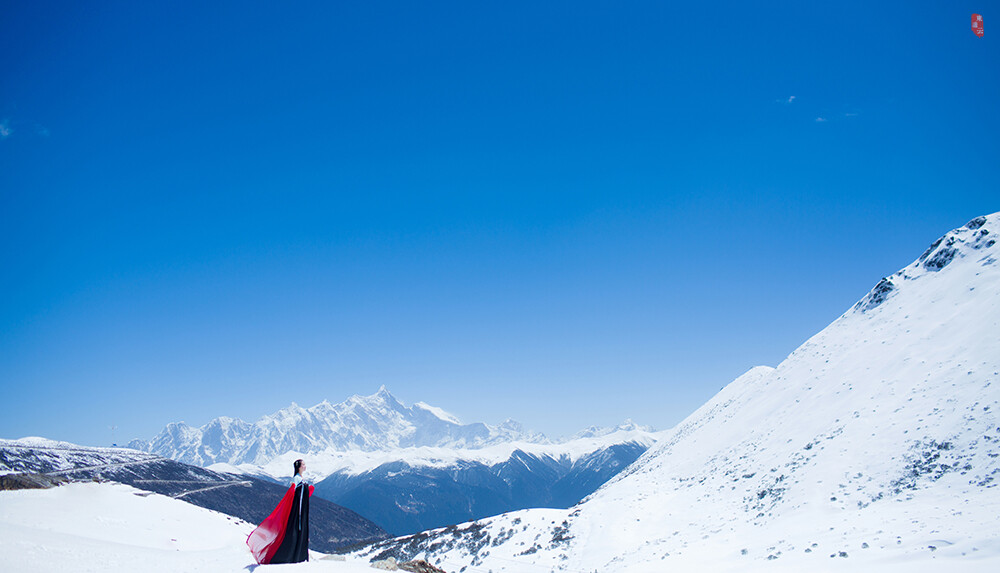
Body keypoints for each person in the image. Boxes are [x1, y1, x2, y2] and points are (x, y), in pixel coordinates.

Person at [246, 459, 313, 564]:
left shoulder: (300, 478)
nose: (305, 466)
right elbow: (293, 493)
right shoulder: (296, 479)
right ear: (299, 467)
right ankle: (291, 556)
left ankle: (299, 555)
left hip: (300, 511)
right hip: (297, 512)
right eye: (303, 464)